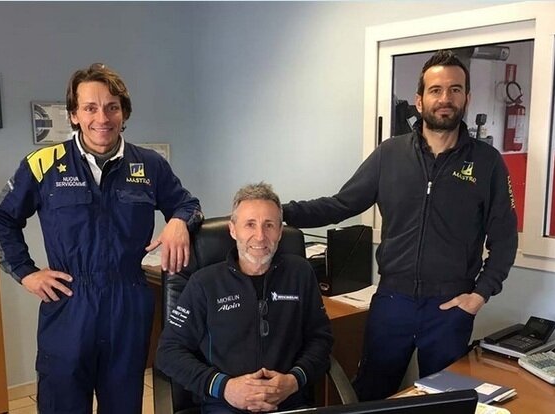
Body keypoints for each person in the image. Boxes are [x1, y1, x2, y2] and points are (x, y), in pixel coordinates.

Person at [283, 50, 518, 401]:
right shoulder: (390, 154)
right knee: (372, 395)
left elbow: (505, 239)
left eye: (455, 90)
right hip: (393, 302)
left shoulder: (487, 163)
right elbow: (340, 204)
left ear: (467, 98)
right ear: (420, 100)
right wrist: (279, 212)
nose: (445, 98)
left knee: (442, 402)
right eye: (436, 90)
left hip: (450, 307)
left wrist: (479, 294)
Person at [0, 63, 203, 414]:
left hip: (128, 301)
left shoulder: (150, 164)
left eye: (111, 107)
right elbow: (2, 217)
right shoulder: (43, 164)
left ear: (124, 113)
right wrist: (26, 272)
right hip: (69, 302)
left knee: (123, 404)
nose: (102, 118)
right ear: (74, 115)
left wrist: (180, 221)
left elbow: (189, 204)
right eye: (90, 108)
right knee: (62, 403)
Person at [156, 183, 333, 413]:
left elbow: (321, 339)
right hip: (224, 405)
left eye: (269, 225)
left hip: (289, 402)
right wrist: (225, 387)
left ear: (280, 231)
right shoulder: (204, 283)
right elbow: (168, 352)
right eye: (250, 224)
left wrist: (294, 380)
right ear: (233, 230)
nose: (260, 236)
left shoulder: (300, 273)